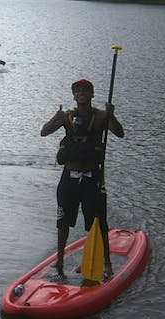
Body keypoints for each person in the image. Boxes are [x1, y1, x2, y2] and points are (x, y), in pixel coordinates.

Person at [41, 79, 124, 280]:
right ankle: (59, 262)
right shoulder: (66, 117)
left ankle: (106, 264)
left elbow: (119, 133)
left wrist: (112, 115)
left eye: (85, 90)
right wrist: (56, 117)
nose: (81, 93)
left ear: (92, 94)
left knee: (98, 222)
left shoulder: (101, 116)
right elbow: (44, 132)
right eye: (77, 91)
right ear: (74, 96)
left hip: (91, 180)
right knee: (63, 222)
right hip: (68, 180)